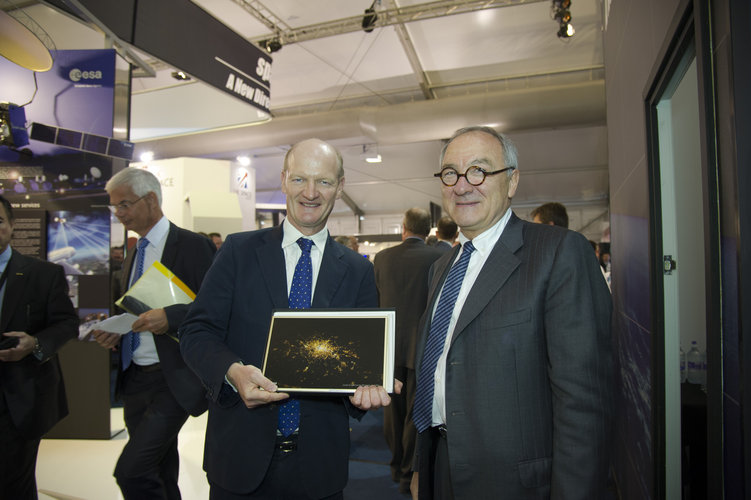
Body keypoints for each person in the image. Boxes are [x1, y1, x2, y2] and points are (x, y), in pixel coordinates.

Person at [179, 138, 392, 499]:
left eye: (323, 182)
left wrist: (365, 389)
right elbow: (196, 331)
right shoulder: (238, 252)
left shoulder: (358, 270)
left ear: (340, 187)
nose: (310, 193)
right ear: (283, 181)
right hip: (239, 455)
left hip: (319, 464)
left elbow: (359, 362)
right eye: (299, 180)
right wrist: (232, 371)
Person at [412, 126, 614, 499]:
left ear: (512, 180)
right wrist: (420, 465)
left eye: (479, 171)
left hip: (516, 485)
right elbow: (437, 369)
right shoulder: (442, 268)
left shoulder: (558, 254)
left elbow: (584, 404)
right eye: (450, 173)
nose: (462, 185)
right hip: (441, 468)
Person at [92, 168, 216, 499]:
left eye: (124, 205)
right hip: (134, 378)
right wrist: (115, 330)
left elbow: (216, 308)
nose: (118, 214)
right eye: (114, 207)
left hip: (173, 377)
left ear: (151, 200)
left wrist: (170, 316)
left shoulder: (192, 246)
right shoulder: (133, 251)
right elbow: (132, 309)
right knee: (160, 469)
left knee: (131, 471)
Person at [0, 195, 78, 499]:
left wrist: (35, 344)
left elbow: (67, 323)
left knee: (13, 483)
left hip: (20, 396)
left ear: (11, 225)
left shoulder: (42, 274)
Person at [374, 207, 444, 494]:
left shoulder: (382, 258)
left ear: (403, 228)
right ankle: (408, 474)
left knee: (390, 413)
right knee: (415, 415)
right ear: (428, 230)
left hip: (387, 347)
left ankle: (394, 466)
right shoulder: (438, 257)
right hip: (422, 347)